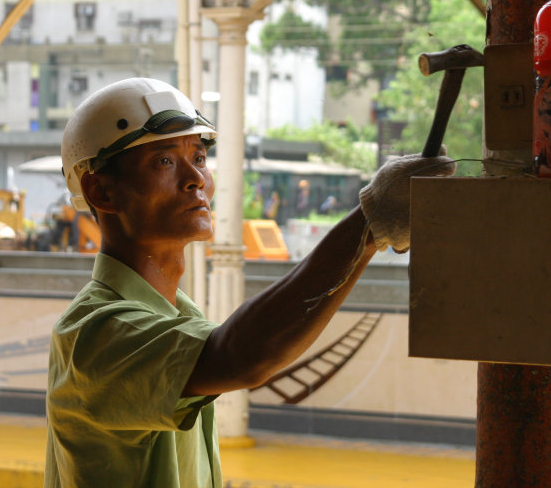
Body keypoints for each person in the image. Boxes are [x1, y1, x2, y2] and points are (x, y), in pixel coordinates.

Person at [44, 77, 455, 487]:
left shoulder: (174, 312)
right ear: (100, 190)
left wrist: (371, 231)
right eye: (164, 162)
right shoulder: (94, 335)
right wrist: (367, 225)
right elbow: (242, 356)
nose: (195, 179)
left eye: (200, 158)